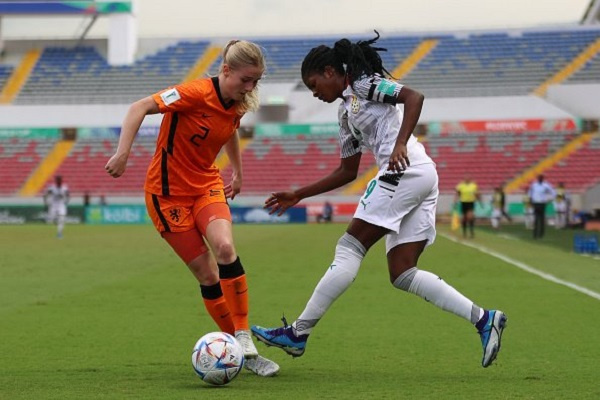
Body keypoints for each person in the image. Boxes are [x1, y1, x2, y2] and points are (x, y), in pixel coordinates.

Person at [250, 32, 507, 368]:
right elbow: (346, 171)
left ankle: (298, 333)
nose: (315, 93)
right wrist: (299, 193)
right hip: (416, 174)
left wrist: (400, 144)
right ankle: (484, 319)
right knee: (402, 272)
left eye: (314, 85)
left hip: (406, 169)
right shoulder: (344, 114)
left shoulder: (362, 84)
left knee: (349, 247)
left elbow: (414, 96)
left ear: (330, 71)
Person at [104, 40, 278, 377]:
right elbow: (139, 107)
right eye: (245, 80)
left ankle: (243, 339)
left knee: (226, 247)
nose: (251, 87)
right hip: (166, 196)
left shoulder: (237, 103)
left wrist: (238, 171)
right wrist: (123, 152)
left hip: (206, 186)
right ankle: (234, 348)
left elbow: (229, 130)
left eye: (256, 81)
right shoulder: (193, 93)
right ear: (226, 70)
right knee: (208, 273)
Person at [528, 174, 556, 239]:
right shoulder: (534, 185)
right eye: (538, 178)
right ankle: (535, 234)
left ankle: (541, 233)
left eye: (541, 178)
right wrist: (530, 199)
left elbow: (553, 192)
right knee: (536, 219)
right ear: (537, 178)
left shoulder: (546, 185)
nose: (539, 179)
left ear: (543, 179)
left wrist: (549, 200)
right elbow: (530, 192)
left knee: (542, 219)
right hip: (535, 203)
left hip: (542, 203)